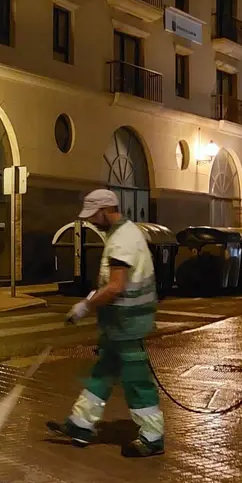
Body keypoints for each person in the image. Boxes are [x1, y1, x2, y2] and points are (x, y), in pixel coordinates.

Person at [46, 189, 164, 457]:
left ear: (105, 210)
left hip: (128, 323)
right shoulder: (122, 233)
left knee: (136, 380)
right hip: (119, 323)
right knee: (103, 372)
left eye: (93, 216)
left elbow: (115, 287)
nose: (90, 221)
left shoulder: (122, 239)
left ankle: (152, 436)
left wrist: (85, 306)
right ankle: (80, 424)